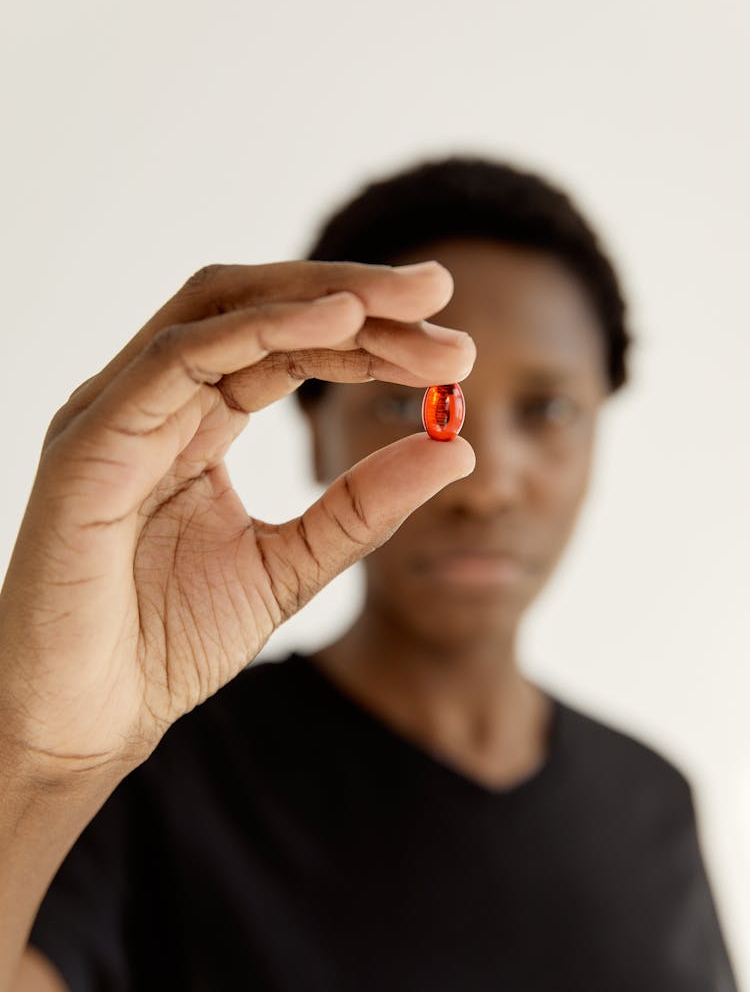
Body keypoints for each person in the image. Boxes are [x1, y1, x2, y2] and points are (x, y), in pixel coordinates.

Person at [2, 157, 738, 991]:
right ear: (315, 429)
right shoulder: (157, 773)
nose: (484, 482)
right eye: (402, 403)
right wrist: (35, 753)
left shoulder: (652, 804)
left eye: (548, 410)